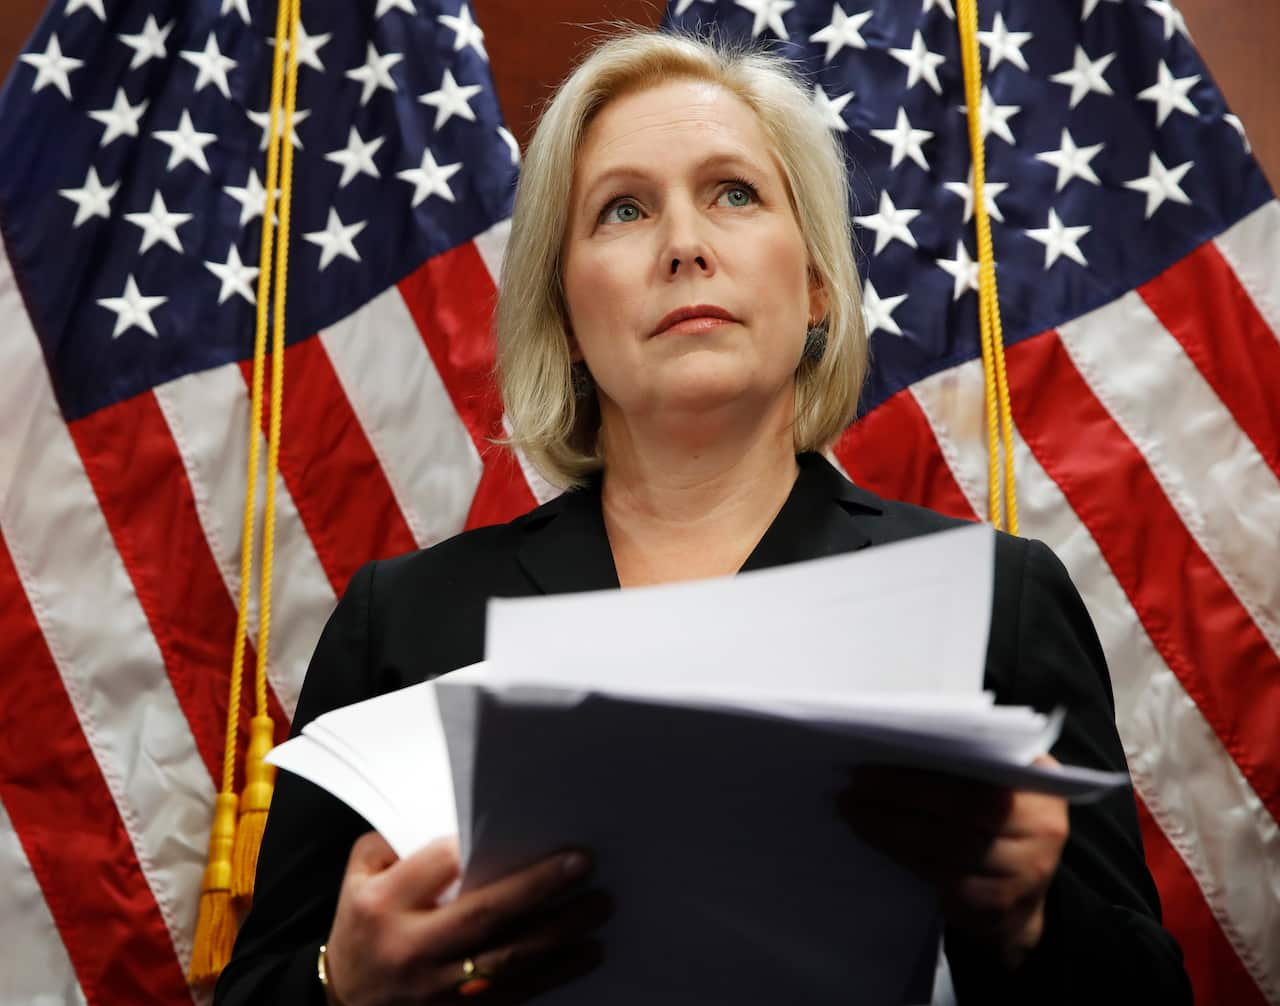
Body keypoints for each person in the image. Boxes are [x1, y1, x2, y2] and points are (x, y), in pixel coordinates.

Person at [215, 29, 1191, 1006]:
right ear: (565, 317)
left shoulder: (994, 601)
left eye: (733, 191)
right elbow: (257, 986)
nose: (684, 243)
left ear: (814, 285)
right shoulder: (406, 619)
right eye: (623, 208)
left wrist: (1027, 918)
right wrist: (340, 984)